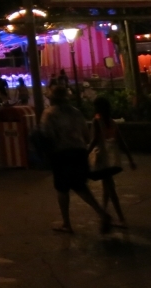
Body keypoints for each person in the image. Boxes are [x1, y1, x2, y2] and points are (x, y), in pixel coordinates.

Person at [40, 86, 111, 234]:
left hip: (61, 153)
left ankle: (67, 223)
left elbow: (47, 135)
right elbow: (86, 135)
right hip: (79, 151)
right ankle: (101, 212)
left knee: (62, 188)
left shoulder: (49, 114)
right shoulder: (76, 112)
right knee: (80, 186)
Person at [88, 96, 136, 227]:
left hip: (102, 160)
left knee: (110, 189)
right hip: (111, 160)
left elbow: (94, 141)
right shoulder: (112, 122)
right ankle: (104, 214)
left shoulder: (97, 121)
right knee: (107, 187)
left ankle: (119, 218)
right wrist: (130, 159)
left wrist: (85, 154)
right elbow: (121, 141)